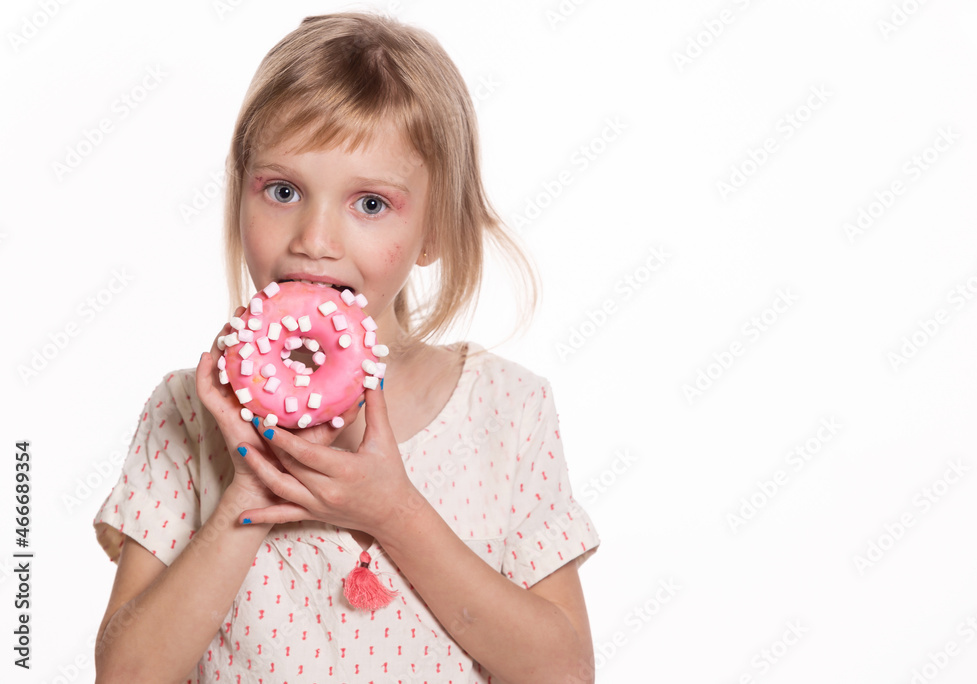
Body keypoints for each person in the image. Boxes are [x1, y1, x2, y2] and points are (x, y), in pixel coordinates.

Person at [92, 12, 599, 683]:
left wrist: (394, 512)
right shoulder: (186, 414)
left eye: (369, 204)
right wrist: (248, 492)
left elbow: (562, 673)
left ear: (433, 229)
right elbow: (125, 675)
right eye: (283, 191)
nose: (315, 237)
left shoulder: (506, 411)